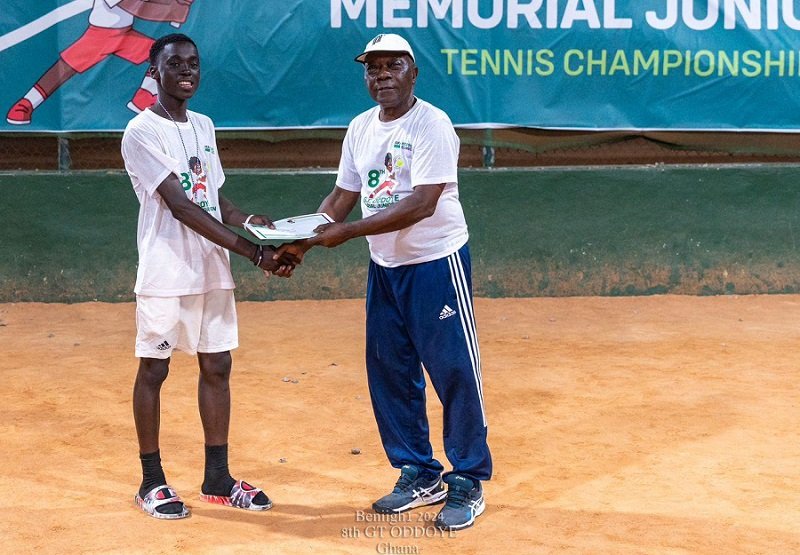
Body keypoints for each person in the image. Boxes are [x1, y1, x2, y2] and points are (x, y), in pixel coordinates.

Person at [275, 33, 492, 531]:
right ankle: (418, 473)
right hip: (386, 268)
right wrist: (302, 240)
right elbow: (340, 197)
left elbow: (422, 202)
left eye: (393, 66)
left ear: (414, 72)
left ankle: (468, 481)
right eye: (373, 69)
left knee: (454, 371)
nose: (382, 76)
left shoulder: (432, 124)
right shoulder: (359, 127)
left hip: (436, 263)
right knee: (390, 371)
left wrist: (346, 232)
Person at [121, 33, 292, 520]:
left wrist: (256, 224)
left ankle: (217, 477)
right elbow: (178, 205)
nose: (185, 71)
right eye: (174, 64)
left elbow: (215, 200)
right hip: (166, 271)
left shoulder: (204, 125)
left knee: (217, 366)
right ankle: (151, 481)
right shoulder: (141, 132)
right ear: (155, 72)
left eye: (193, 63)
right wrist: (252, 253)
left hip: (211, 269)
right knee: (154, 369)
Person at [7, 0, 195, 125]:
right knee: (63, 69)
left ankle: (143, 97)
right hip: (99, 35)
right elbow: (133, 7)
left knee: (163, 55)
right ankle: (26, 104)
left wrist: (176, 6)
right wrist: (174, 10)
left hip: (125, 34)